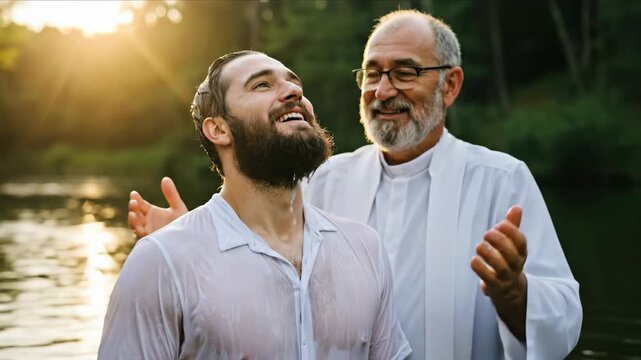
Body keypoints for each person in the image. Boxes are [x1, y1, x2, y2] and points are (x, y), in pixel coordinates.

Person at [128, 10, 582, 360]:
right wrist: (195, 242)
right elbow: (263, 247)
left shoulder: (501, 180)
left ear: (450, 85)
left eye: (404, 72)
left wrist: (514, 291)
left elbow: (563, 315)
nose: (383, 91)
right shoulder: (323, 177)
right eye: (372, 73)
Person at [99, 50, 411, 359]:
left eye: (293, 83)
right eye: (261, 85)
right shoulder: (160, 262)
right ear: (219, 129)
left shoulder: (365, 247)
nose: (294, 91)